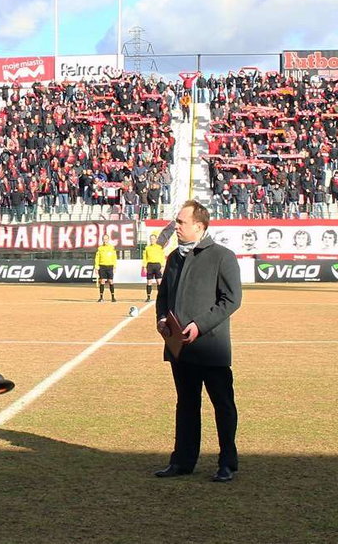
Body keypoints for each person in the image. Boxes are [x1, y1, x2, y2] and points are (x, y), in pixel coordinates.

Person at [154, 200, 242, 483]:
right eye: (176, 222)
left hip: (211, 347)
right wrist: (163, 319)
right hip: (179, 347)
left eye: (181, 222)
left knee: (222, 405)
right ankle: (182, 461)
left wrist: (199, 325)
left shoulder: (222, 257)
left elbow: (231, 300)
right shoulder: (173, 259)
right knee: (186, 404)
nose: (175, 226)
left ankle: (227, 462)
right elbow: (163, 297)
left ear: (199, 226)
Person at [94, 234, 118, 302]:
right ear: (102, 240)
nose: (105, 241)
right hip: (102, 266)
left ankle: (113, 297)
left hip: (110, 266)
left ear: (108, 239)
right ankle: (101, 297)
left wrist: (114, 266)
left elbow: (114, 257)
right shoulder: (100, 248)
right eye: (104, 239)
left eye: (106, 239)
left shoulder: (112, 248)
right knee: (102, 281)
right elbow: (97, 258)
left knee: (111, 281)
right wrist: (96, 267)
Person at [142, 234, 166, 303]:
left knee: (159, 281)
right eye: (151, 239)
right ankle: (148, 297)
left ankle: (160, 297)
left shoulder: (159, 247)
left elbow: (162, 257)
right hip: (150, 265)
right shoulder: (147, 248)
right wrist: (144, 267)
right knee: (149, 282)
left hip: (157, 265)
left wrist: (162, 266)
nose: (152, 240)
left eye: (153, 239)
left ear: (156, 239)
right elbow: (145, 258)